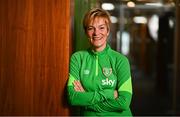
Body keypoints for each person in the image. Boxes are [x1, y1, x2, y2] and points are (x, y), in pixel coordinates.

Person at [67, 8, 133, 116]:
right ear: (85, 32)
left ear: (108, 31)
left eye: (101, 28)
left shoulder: (121, 60)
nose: (96, 33)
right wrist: (108, 94)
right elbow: (73, 98)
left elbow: (124, 103)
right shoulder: (77, 59)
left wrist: (86, 99)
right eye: (91, 28)